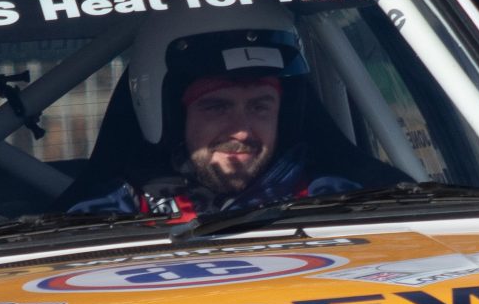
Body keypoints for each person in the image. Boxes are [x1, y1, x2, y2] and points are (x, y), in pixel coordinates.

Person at [68, 24, 378, 219]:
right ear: (171, 119)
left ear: (284, 116)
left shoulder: (339, 201)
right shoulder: (108, 213)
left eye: (260, 107)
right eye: (217, 108)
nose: (241, 130)